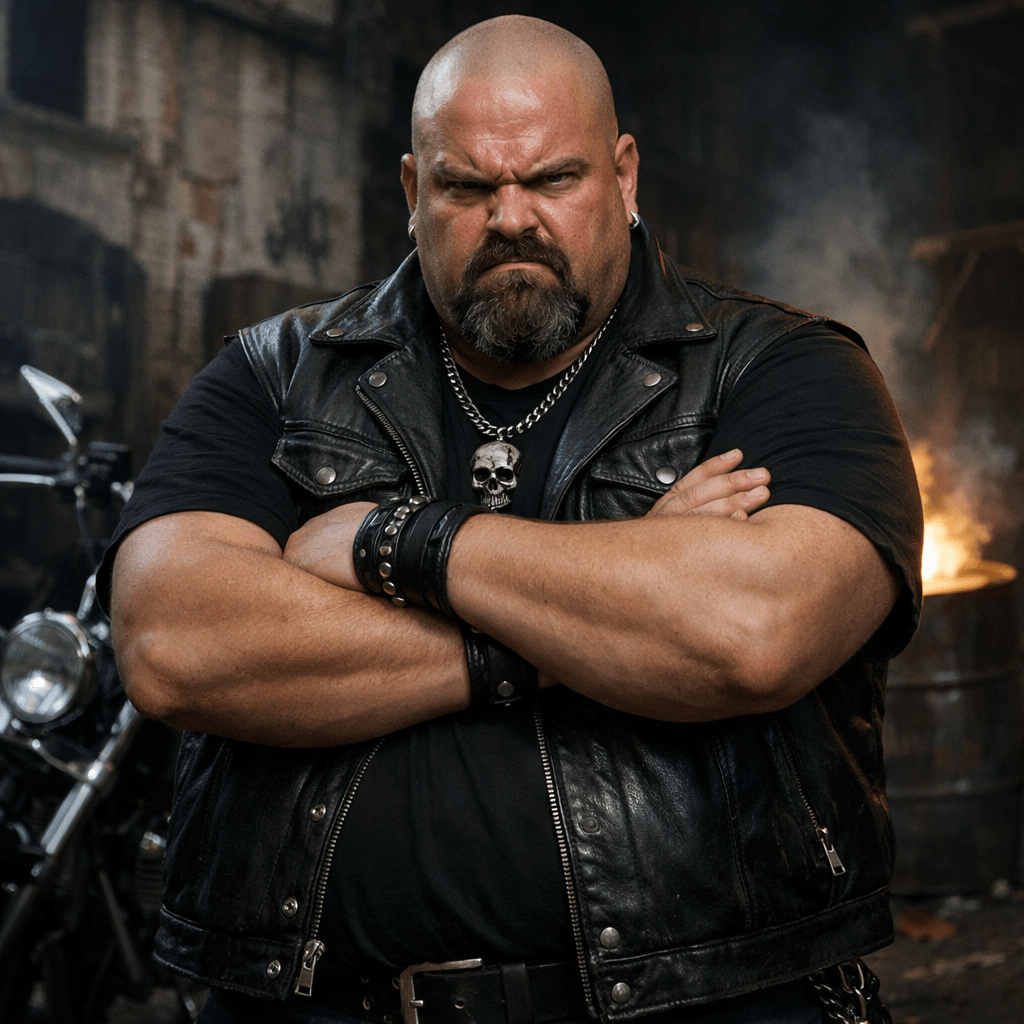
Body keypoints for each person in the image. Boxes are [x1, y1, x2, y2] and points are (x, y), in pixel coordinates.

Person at [103, 15, 922, 1024]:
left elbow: (749, 634)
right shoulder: (274, 376)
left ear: (623, 179)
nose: (511, 217)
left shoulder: (778, 370)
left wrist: (389, 542)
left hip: (707, 1003)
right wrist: (595, 616)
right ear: (412, 192)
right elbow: (175, 642)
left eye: (551, 179)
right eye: (466, 186)